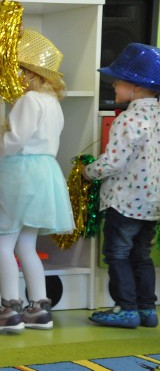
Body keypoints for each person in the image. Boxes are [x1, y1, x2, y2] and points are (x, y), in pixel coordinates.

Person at [0, 29, 74, 333]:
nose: (12, 75)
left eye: (16, 69)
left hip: (19, 175)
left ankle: (9, 308)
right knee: (26, 245)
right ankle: (40, 308)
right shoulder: (52, 102)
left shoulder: (29, 100)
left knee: (2, 242)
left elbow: (14, 142)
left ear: (29, 73)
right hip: (45, 174)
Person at [83, 43, 160, 329]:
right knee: (141, 255)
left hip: (124, 201)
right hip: (152, 202)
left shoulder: (129, 119)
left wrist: (88, 172)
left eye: (119, 79)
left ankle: (126, 309)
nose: (113, 83)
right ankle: (147, 309)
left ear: (137, 87)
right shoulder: (157, 116)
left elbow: (113, 162)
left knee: (117, 254)